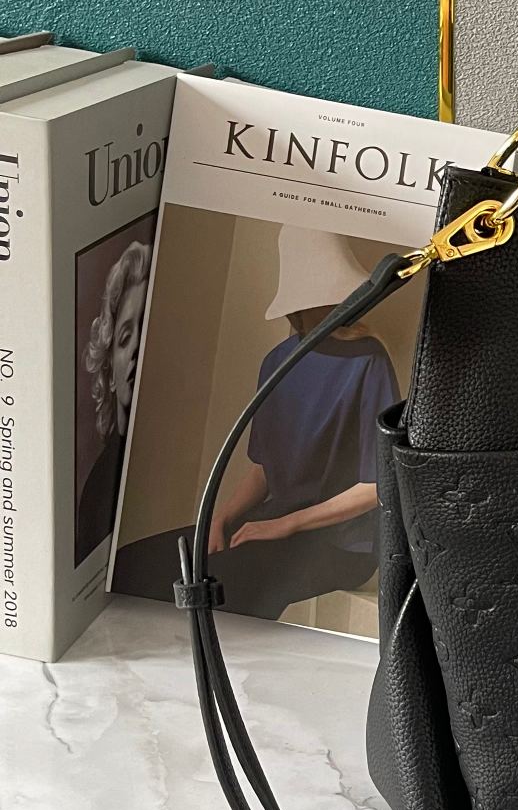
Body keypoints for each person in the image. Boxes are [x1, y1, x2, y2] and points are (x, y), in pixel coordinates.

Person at [112, 228, 399, 621]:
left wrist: (286, 525)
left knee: (218, 584)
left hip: (342, 545)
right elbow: (265, 467)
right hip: (273, 521)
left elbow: (377, 485)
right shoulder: (276, 361)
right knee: (134, 563)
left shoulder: (368, 360)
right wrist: (222, 518)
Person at [76, 239, 151, 564]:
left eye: (144, 331)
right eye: (124, 338)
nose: (135, 348)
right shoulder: (99, 488)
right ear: (109, 370)